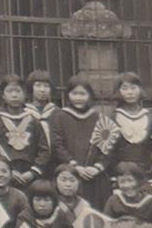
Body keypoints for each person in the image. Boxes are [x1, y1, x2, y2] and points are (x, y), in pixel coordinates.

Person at [47, 76, 115, 208]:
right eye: (74, 93)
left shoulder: (98, 118)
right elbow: (57, 144)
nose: (78, 98)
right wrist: (74, 166)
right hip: (69, 173)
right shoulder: (59, 116)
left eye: (82, 94)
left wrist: (96, 168)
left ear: (89, 96)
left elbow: (107, 147)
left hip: (93, 175)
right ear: (68, 95)